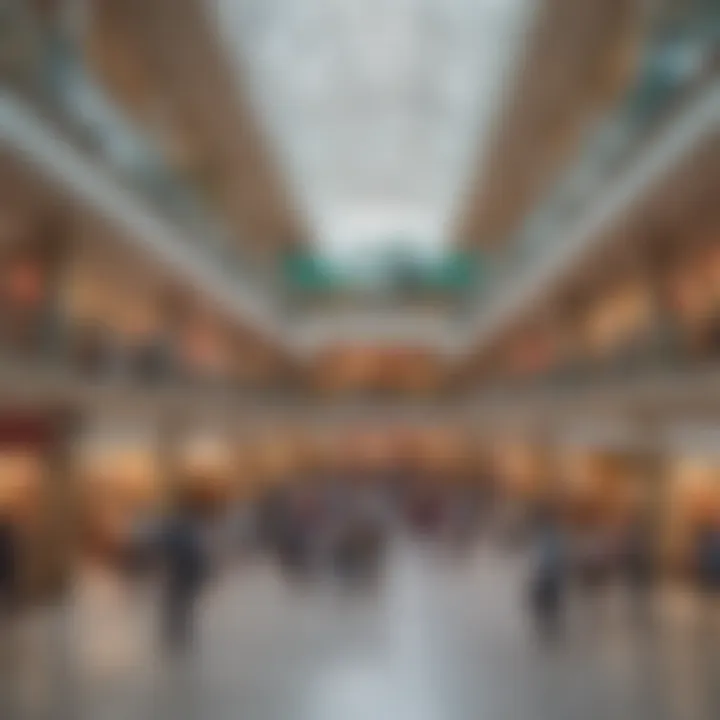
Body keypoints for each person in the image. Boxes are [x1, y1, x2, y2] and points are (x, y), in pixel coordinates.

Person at [161, 501, 209, 652]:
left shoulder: (177, 531)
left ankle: (175, 636)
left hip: (179, 575)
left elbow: (167, 550)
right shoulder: (192, 531)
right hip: (187, 575)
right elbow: (200, 556)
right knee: (183, 607)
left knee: (176, 606)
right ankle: (180, 635)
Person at [528, 508, 567, 640]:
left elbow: (549, 557)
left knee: (547, 604)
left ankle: (549, 628)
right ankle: (550, 627)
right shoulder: (552, 535)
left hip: (549, 575)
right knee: (550, 604)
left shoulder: (549, 536)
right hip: (551, 575)